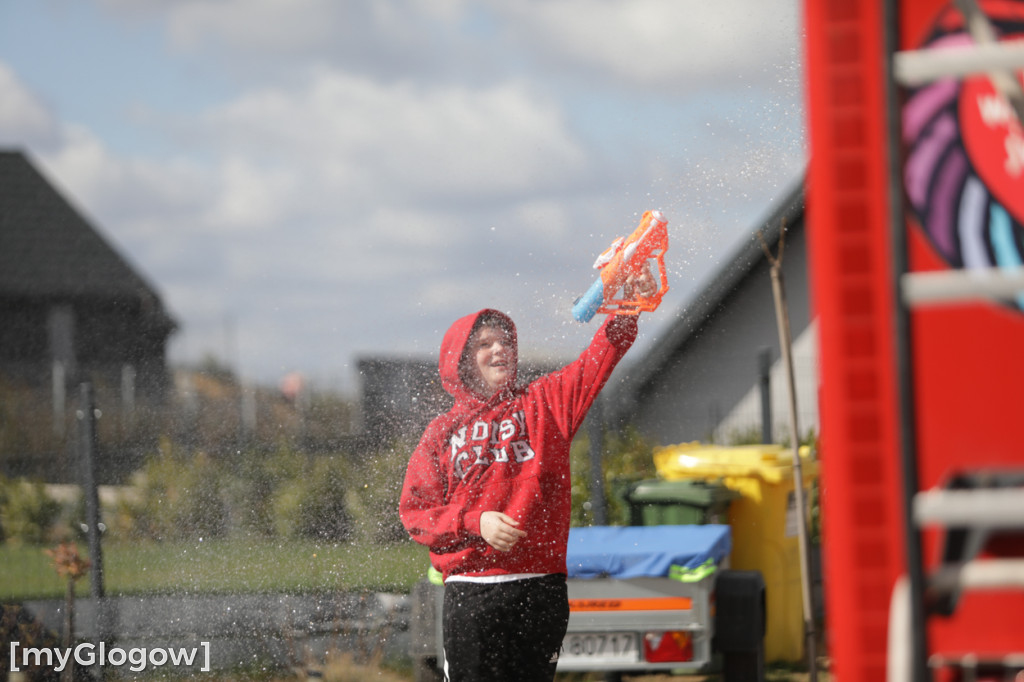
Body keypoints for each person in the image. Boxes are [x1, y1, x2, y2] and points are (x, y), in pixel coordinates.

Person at [399, 271, 658, 681]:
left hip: (541, 589)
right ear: (461, 360)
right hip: (472, 590)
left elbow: (599, 357)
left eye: (505, 341)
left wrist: (630, 308)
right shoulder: (440, 433)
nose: (499, 348)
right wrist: (475, 521)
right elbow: (415, 514)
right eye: (484, 343)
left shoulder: (546, 401)